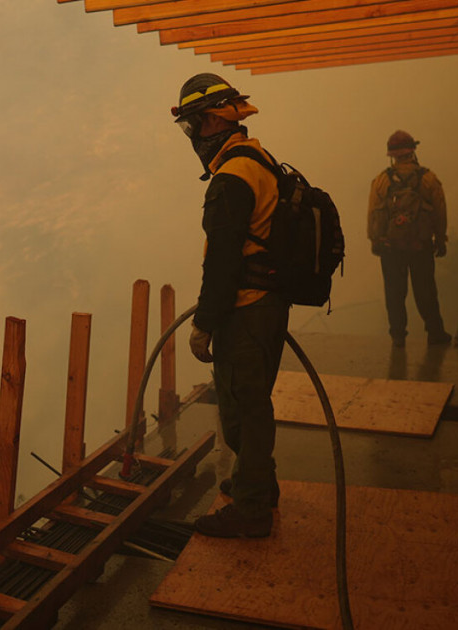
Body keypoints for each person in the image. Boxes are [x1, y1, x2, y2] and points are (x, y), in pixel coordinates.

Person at [172, 73, 290, 538]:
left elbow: (222, 261)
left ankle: (253, 510)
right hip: (267, 303)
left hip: (247, 307)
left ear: (212, 121)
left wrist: (204, 324)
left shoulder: (232, 176)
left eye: (192, 127)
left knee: (244, 410)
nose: (192, 139)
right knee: (250, 405)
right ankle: (256, 485)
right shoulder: (258, 158)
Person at [367, 131, 451, 348]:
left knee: (394, 293)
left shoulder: (381, 181)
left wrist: (374, 241)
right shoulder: (429, 179)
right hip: (420, 246)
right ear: (413, 150)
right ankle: (435, 332)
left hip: (390, 247)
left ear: (392, 155)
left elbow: (373, 213)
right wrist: (440, 241)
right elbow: (440, 213)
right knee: (426, 291)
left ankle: (397, 336)